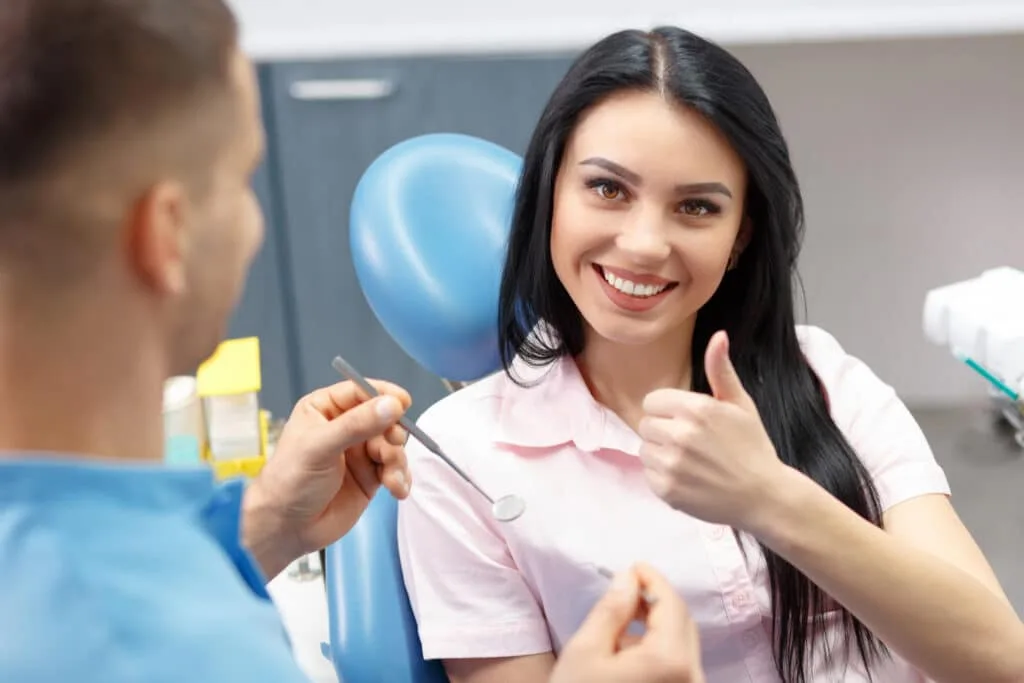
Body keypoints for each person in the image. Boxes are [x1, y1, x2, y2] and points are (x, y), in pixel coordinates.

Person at [0, 1, 703, 681]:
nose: (254, 223)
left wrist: (270, 522)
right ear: (167, 235)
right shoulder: (171, 649)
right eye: (242, 179)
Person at [396, 25, 1024, 683]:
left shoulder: (824, 379)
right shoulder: (457, 460)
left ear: (740, 235)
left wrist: (774, 500)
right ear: (551, 192)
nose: (643, 243)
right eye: (608, 189)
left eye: (696, 206)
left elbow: (1002, 661)